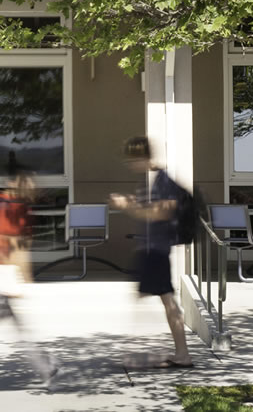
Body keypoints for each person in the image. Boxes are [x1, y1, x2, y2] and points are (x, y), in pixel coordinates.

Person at [0, 168, 58, 388]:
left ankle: (47, 369)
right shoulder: (13, 206)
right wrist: (23, 275)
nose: (33, 186)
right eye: (29, 182)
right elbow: (11, 243)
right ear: (17, 182)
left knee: (12, 328)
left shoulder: (5, 202)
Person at [108, 137, 193, 369]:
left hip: (157, 249)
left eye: (133, 159)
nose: (130, 164)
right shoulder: (150, 180)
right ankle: (176, 352)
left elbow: (159, 213)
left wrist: (128, 205)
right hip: (150, 248)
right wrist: (134, 203)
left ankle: (179, 354)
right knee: (156, 297)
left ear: (144, 157)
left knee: (164, 299)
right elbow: (149, 210)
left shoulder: (162, 180)